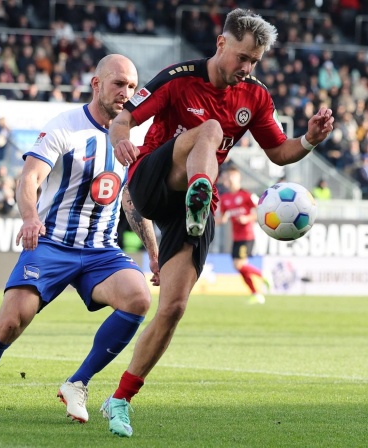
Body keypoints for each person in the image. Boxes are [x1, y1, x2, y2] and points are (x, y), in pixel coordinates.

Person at [101, 8, 334, 438]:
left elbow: (279, 152)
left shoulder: (256, 97)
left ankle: (119, 399)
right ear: (221, 44)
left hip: (191, 206)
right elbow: (124, 118)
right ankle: (201, 192)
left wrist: (310, 140)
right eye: (242, 57)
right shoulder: (178, 77)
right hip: (154, 179)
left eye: (255, 62)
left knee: (173, 308)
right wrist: (119, 140)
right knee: (207, 128)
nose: (247, 69)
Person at [0, 54, 159, 424]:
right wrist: (29, 218)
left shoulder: (131, 137)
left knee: (138, 297)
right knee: (10, 323)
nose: (126, 93)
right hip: (52, 243)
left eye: (132, 86)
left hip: (100, 249)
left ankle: (78, 382)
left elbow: (130, 199)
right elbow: (28, 179)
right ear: (97, 84)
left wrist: (154, 251)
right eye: (118, 84)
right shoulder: (66, 126)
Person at [215, 166, 269, 304]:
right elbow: (223, 219)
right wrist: (208, 223)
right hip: (236, 237)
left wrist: (247, 218)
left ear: (238, 178)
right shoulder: (225, 198)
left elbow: (259, 212)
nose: (228, 180)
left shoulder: (246, 195)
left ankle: (263, 275)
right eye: (227, 177)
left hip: (247, 235)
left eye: (231, 177)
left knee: (239, 265)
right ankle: (256, 293)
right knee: (237, 266)